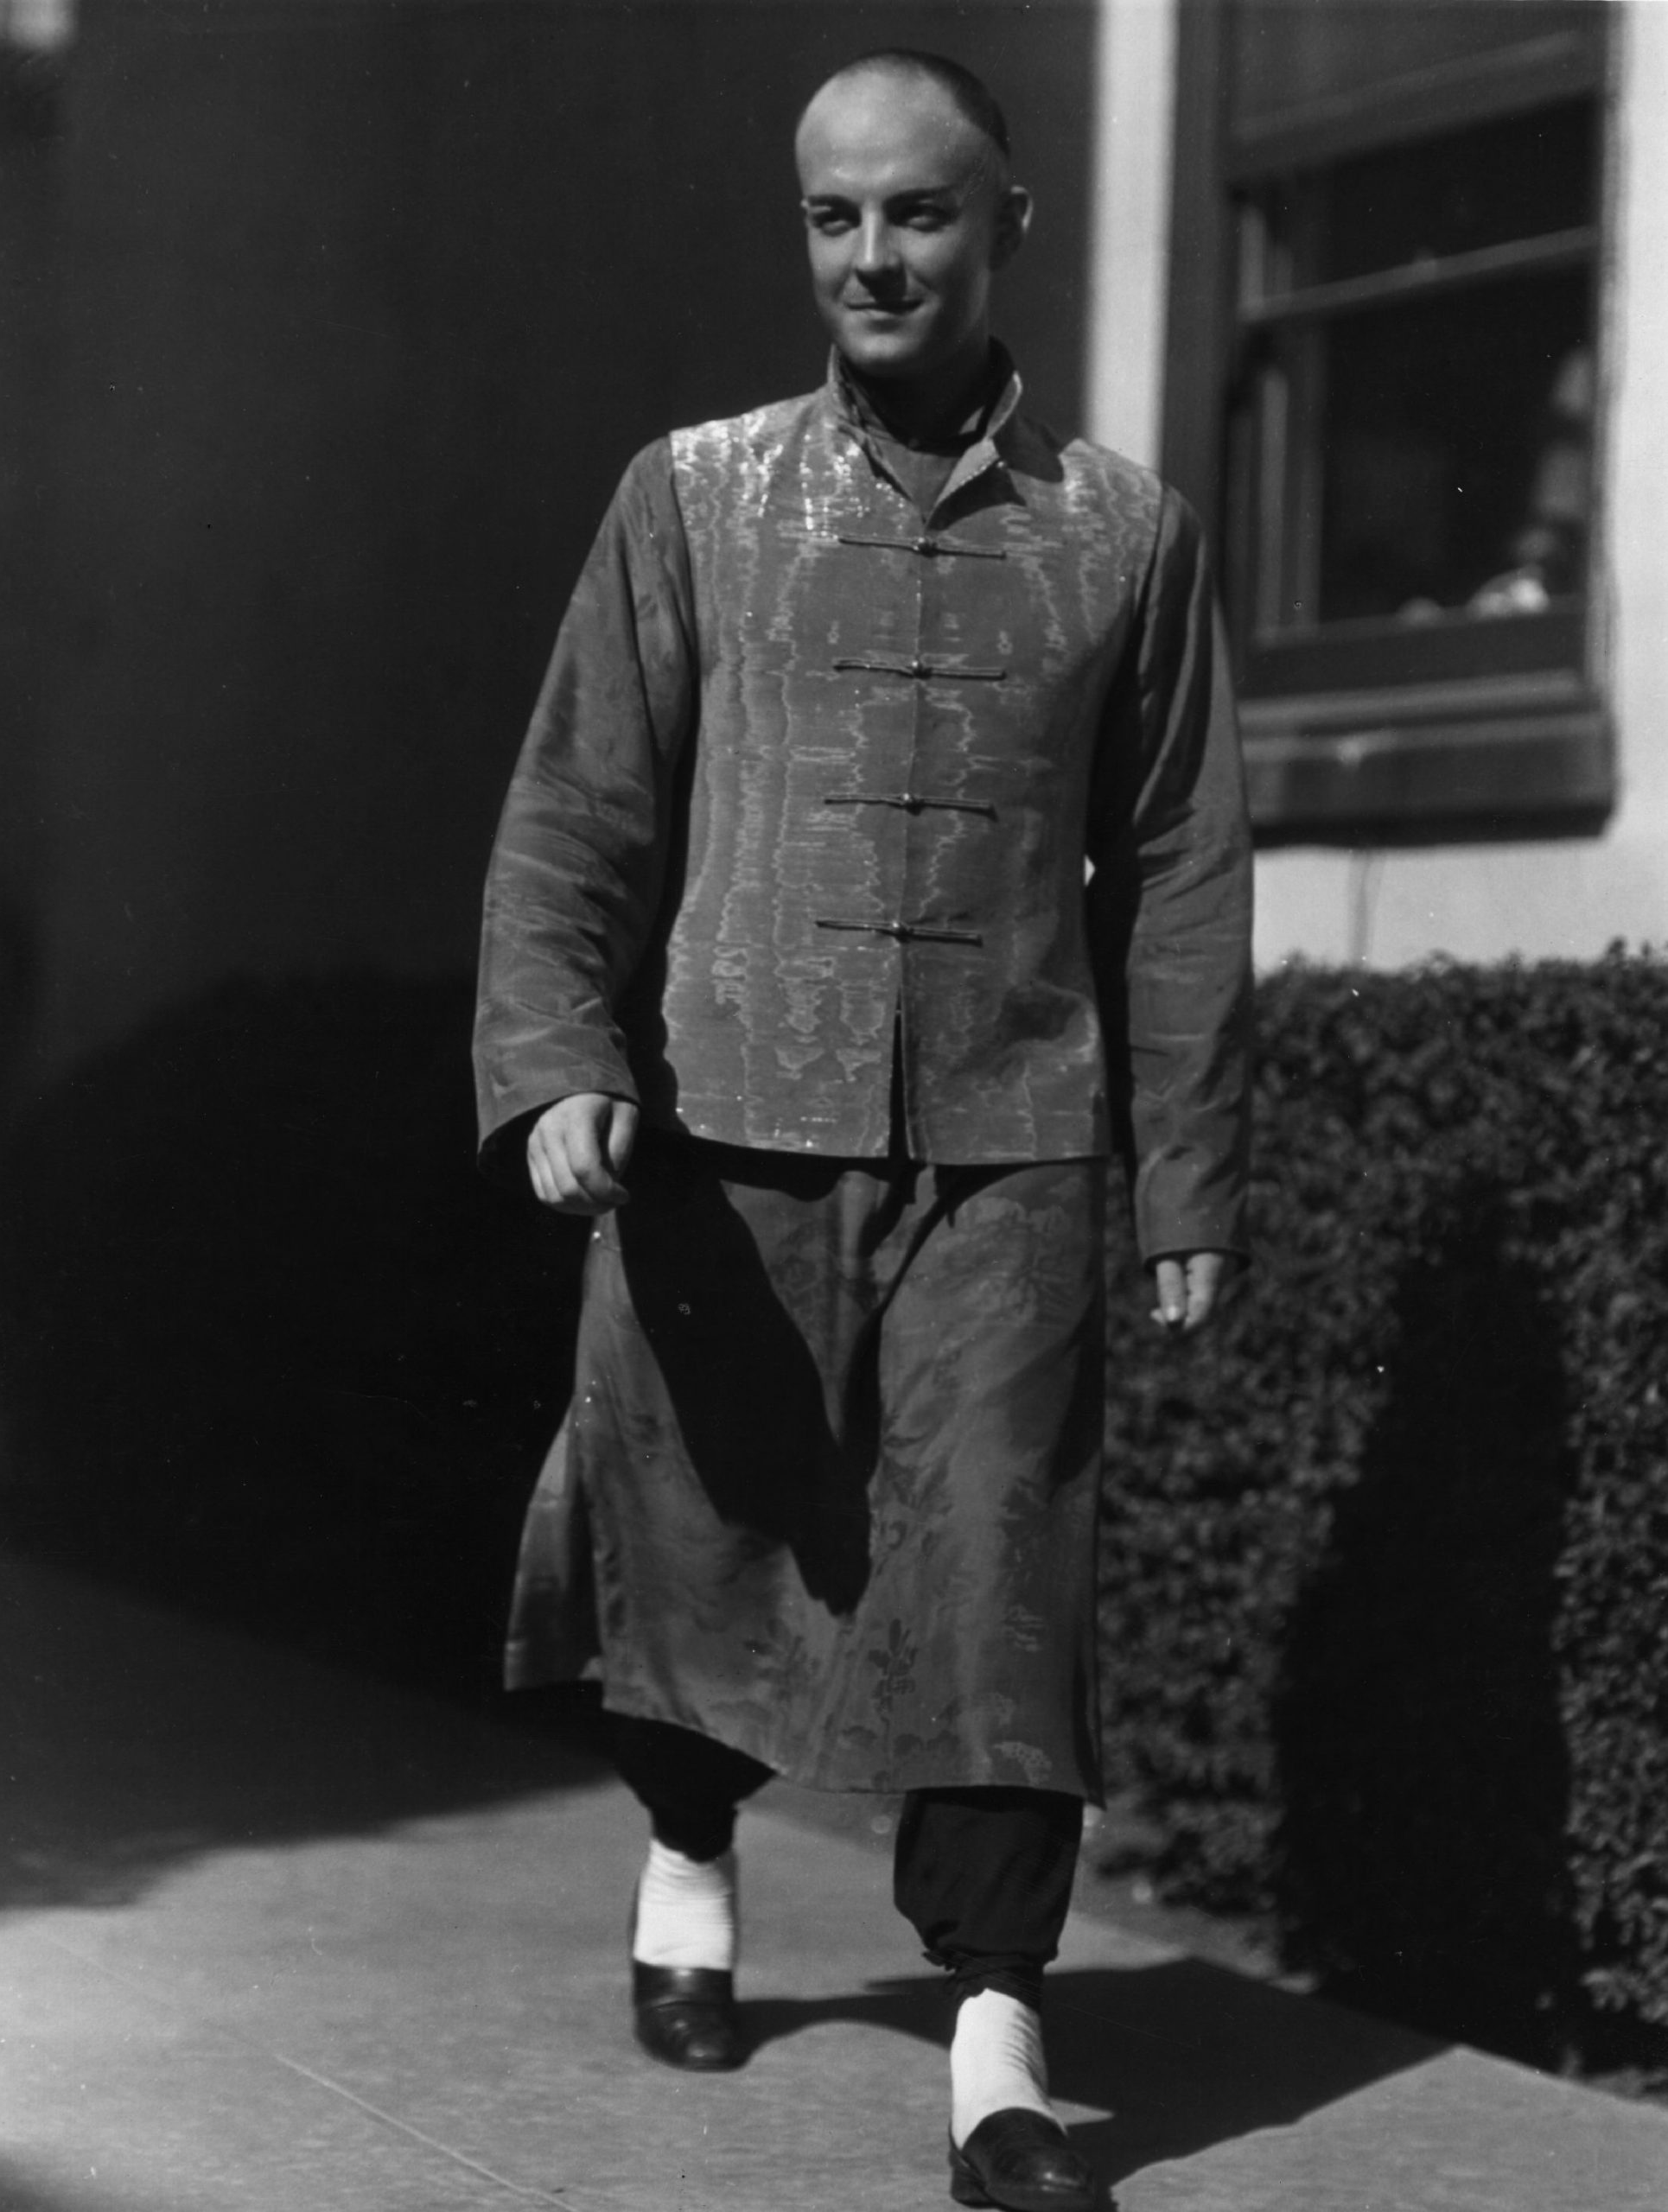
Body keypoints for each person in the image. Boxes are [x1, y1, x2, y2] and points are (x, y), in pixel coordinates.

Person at [474, 50, 1251, 2212]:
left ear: (1007, 218)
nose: (874, 257)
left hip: (1012, 1145)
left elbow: (1178, 863)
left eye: (917, 213)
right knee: (698, 1527)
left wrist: (1185, 1160)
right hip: (722, 1136)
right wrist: (556, 1059)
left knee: (1005, 1562)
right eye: (834, 218)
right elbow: (576, 812)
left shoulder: (1125, 534)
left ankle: (997, 2051)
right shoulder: (696, 493)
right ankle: (688, 1854)